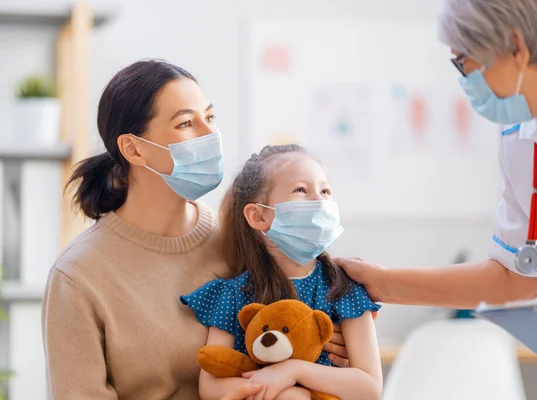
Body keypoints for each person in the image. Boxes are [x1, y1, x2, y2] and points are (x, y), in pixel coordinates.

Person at [335, 0, 537, 398]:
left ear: (516, 47)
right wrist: (382, 284)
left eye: (463, 62)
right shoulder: (521, 140)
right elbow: (516, 277)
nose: (464, 80)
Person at [41, 59, 348, 399]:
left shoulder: (239, 237)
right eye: (186, 123)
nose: (210, 134)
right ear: (133, 149)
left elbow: (295, 323)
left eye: (210, 117)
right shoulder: (78, 277)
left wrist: (337, 339)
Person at [181, 144, 383, 400]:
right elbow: (210, 387)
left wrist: (294, 371)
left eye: (325, 190)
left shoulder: (344, 288)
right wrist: (279, 393)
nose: (319, 200)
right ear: (258, 216)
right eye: (301, 190)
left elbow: (369, 387)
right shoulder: (233, 294)